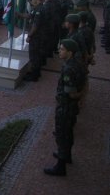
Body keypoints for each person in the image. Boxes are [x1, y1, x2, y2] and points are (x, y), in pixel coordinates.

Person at [44, 39, 84, 176]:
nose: (59, 51)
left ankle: (60, 167)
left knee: (62, 134)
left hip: (66, 106)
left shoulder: (68, 69)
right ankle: (67, 156)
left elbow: (72, 93)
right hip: (71, 106)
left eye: (62, 49)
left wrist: (78, 96)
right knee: (69, 131)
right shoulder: (78, 64)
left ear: (70, 52)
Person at [17, 0, 45, 81]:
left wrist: (29, 35)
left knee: (34, 55)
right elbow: (29, 16)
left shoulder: (39, 9)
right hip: (37, 36)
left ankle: (34, 76)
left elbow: (35, 25)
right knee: (35, 55)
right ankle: (36, 72)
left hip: (36, 36)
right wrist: (19, 14)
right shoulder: (37, 8)